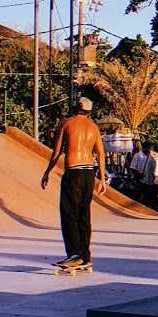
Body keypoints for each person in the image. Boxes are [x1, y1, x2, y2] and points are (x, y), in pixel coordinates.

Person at [41, 95, 108, 268]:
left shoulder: (66, 123)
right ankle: (85, 255)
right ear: (89, 111)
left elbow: (57, 152)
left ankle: (74, 254)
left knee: (69, 213)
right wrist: (101, 179)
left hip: (73, 172)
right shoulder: (94, 127)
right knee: (84, 215)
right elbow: (100, 154)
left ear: (75, 108)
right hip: (88, 174)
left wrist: (47, 172)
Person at [128, 140, 151, 205]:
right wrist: (138, 174)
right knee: (137, 194)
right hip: (140, 179)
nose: (147, 149)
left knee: (147, 196)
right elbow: (132, 167)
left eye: (148, 147)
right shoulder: (138, 155)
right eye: (146, 147)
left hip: (148, 180)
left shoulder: (151, 157)